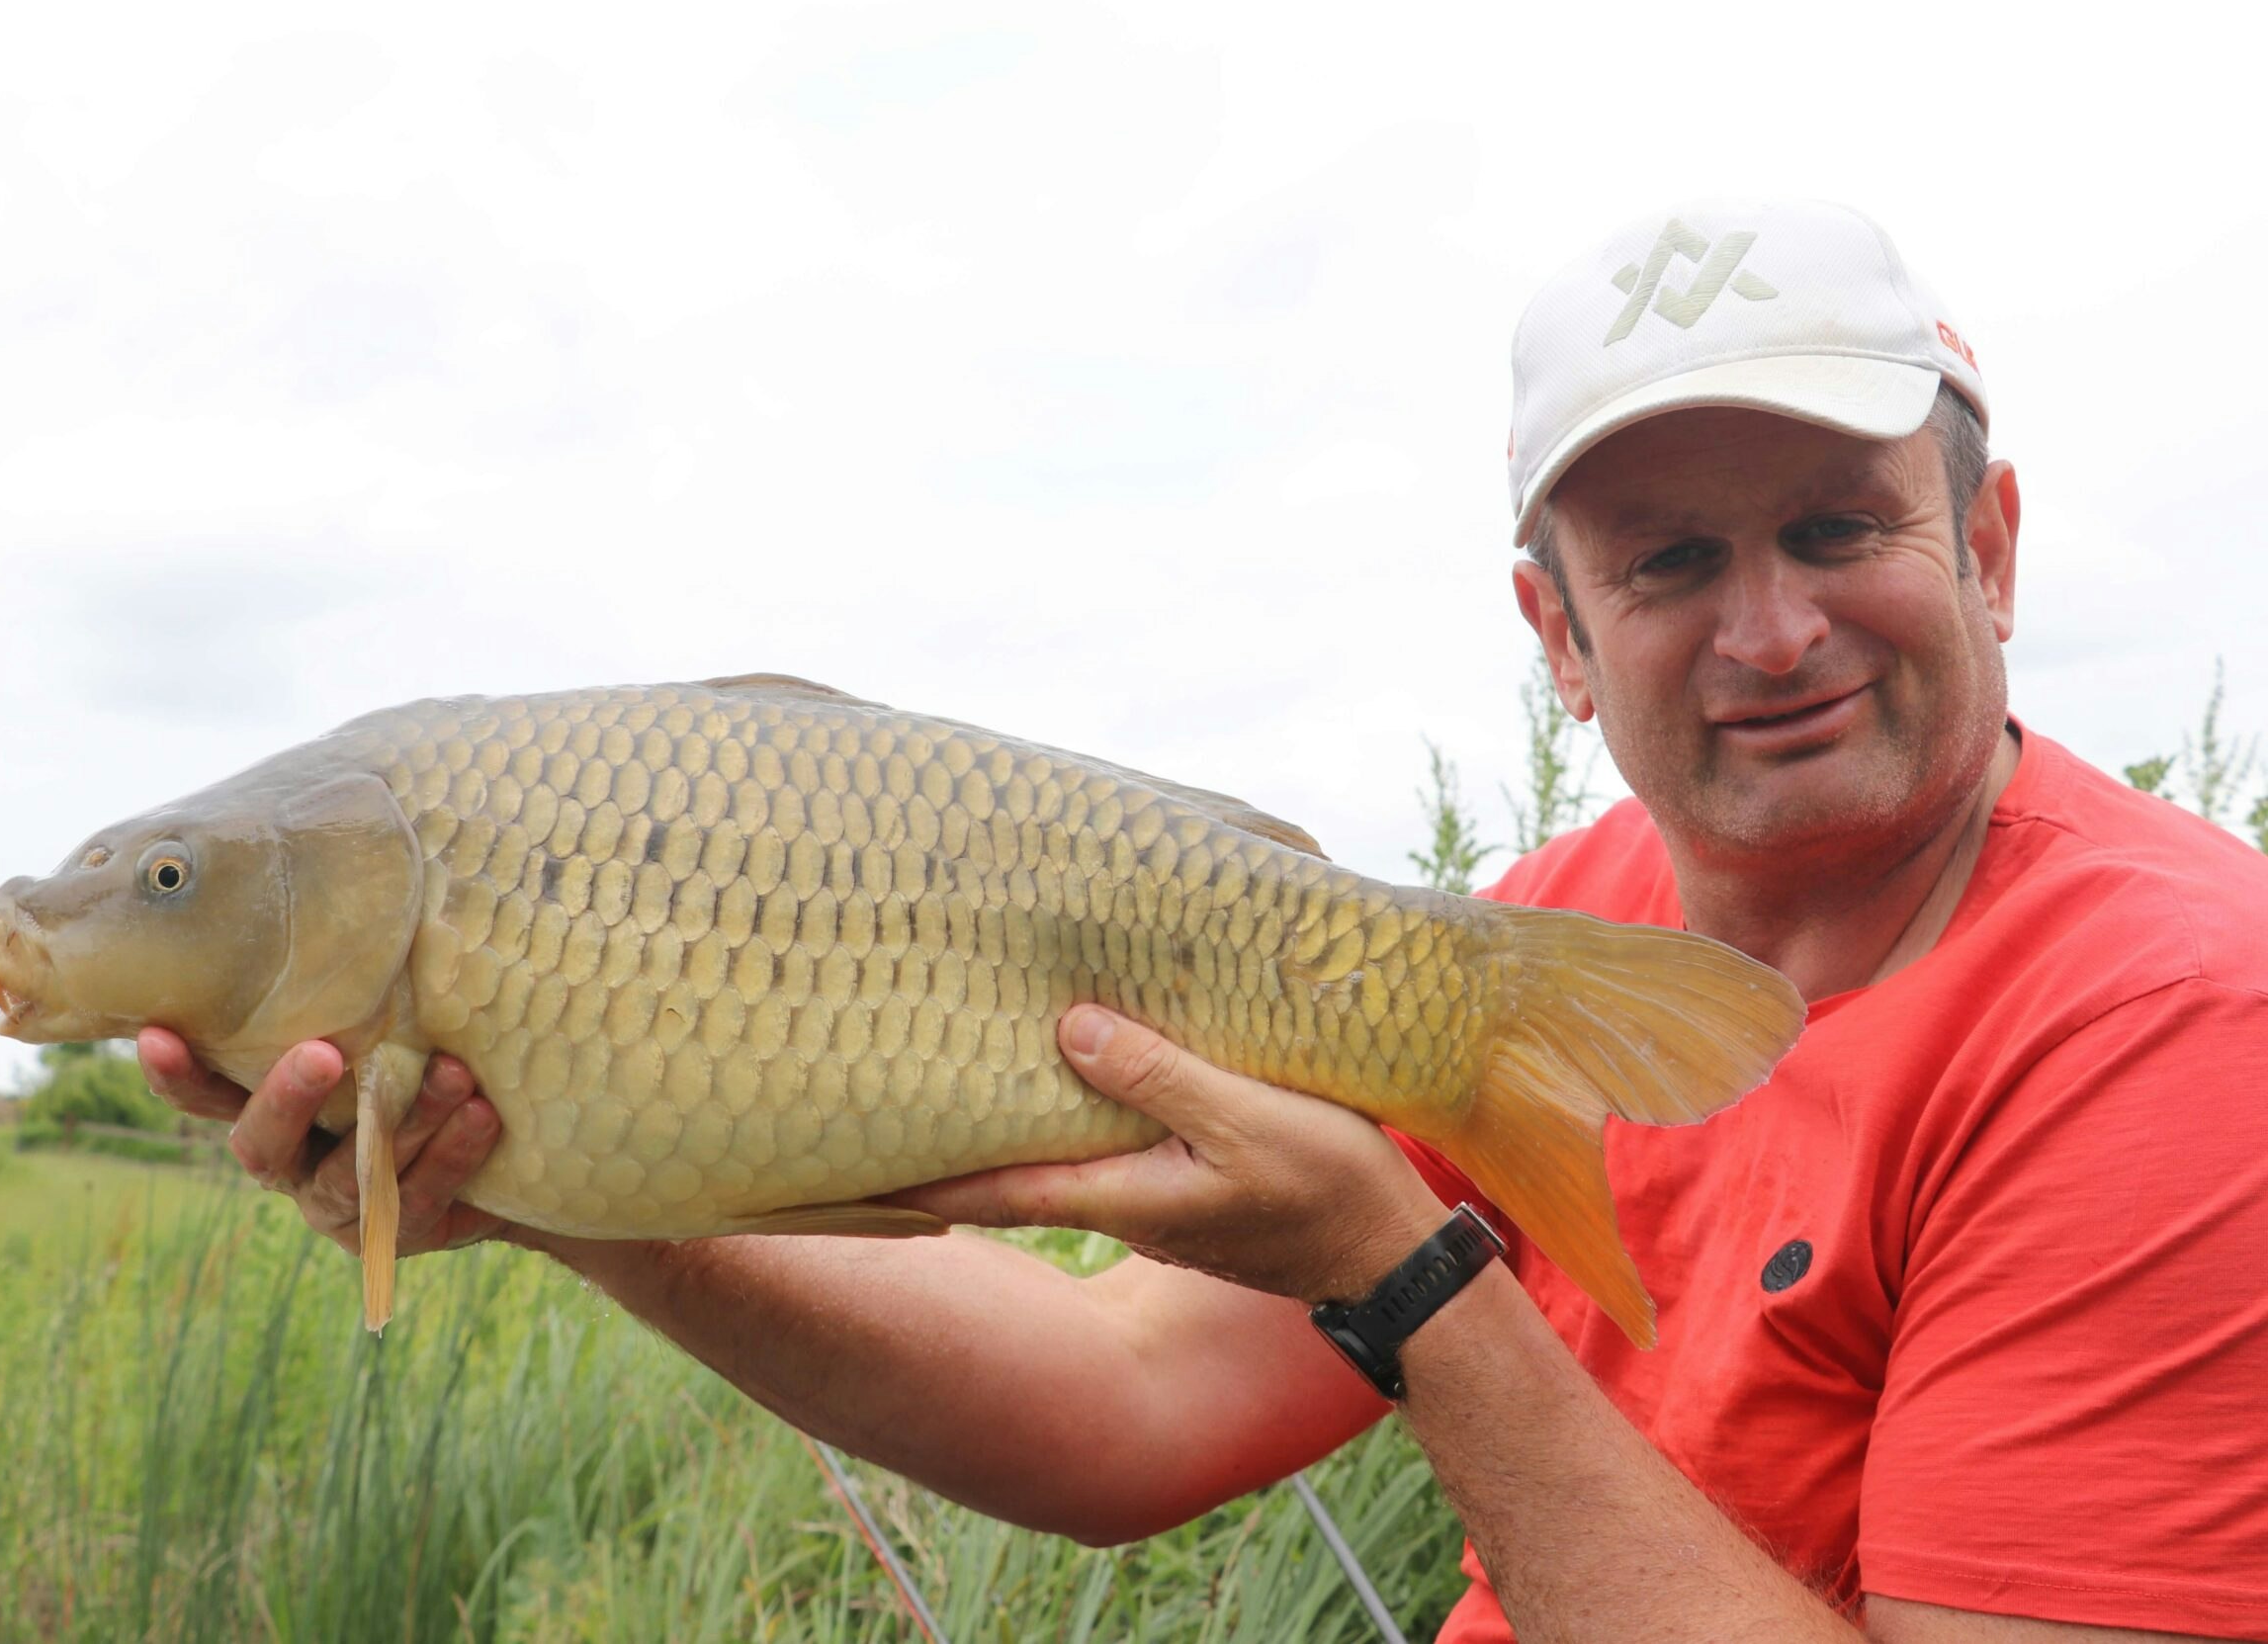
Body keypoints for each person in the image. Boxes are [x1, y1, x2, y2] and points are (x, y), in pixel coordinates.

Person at [142, 198, 2268, 1642]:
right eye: (1667, 565)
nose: (1770, 626)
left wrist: (1404, 1278)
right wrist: (555, 1179)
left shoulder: (2178, 1017)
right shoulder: (1539, 929)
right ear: (1554, 631)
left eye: (1834, 526)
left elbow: (1394, 1298)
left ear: (1984, 540)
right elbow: (1123, 1398)